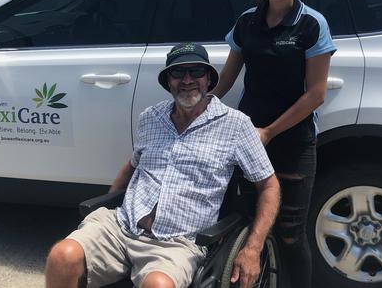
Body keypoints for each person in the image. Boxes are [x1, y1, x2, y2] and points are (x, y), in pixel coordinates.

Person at [45, 43, 281, 288]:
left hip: (178, 242)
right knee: (62, 257)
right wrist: (108, 200)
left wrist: (253, 248)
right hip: (123, 225)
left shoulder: (236, 126)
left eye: (196, 72)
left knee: (158, 285)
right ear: (168, 81)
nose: (187, 79)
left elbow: (269, 186)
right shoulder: (151, 117)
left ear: (209, 79)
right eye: (178, 73)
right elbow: (132, 165)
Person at [210, 0, 336, 288]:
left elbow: (316, 94)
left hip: (293, 142)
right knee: (248, 223)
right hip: (249, 137)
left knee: (291, 234)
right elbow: (227, 78)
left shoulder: (311, 24)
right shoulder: (247, 21)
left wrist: (270, 131)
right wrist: (198, 106)